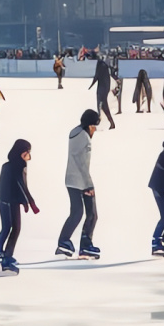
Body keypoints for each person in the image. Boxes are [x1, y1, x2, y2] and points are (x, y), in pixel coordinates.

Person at [0, 138, 37, 275]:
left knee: (10, 228)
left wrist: (26, 201)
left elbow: (19, 186)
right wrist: (29, 202)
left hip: (7, 200)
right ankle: (2, 258)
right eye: (28, 153)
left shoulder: (10, 165)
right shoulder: (18, 166)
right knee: (11, 228)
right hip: (9, 201)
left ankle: (0, 257)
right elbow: (20, 185)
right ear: (22, 153)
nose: (30, 157)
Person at [56, 110, 100, 259]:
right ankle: (78, 244)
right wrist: (88, 185)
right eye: (95, 126)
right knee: (89, 213)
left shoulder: (75, 133)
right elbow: (82, 163)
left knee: (79, 213)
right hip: (80, 180)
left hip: (72, 179)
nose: (95, 130)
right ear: (89, 125)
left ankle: (67, 242)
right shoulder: (84, 138)